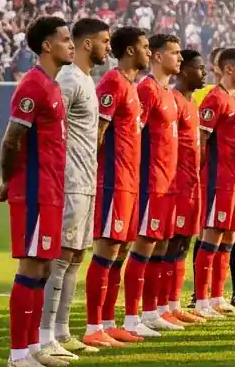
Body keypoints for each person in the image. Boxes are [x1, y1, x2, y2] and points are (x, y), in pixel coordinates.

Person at [0, 15, 73, 367]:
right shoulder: (33, 85)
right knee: (31, 267)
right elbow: (11, 140)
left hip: (51, 189)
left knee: (44, 268)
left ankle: (34, 347)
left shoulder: (52, 86)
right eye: (66, 39)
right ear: (47, 46)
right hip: (34, 189)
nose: (71, 45)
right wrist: (8, 181)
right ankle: (17, 355)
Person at [36, 17, 110, 364]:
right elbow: (49, 126)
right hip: (69, 182)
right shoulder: (67, 79)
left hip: (86, 181)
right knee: (61, 258)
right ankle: (44, 335)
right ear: (86, 43)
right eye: (104, 41)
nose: (107, 47)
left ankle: (62, 331)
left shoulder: (85, 80)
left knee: (76, 256)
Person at [83, 26, 152, 348]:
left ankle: (109, 323)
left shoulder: (132, 86)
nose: (148, 52)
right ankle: (93, 326)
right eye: (144, 47)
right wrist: (93, 173)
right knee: (106, 251)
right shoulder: (111, 82)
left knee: (120, 252)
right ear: (129, 51)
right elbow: (97, 131)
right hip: (112, 181)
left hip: (129, 181)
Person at [194, 48, 235, 309]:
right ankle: (201, 300)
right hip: (216, 180)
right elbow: (201, 141)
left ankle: (218, 297)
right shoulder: (214, 99)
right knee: (212, 236)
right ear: (229, 69)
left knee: (230, 238)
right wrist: (197, 176)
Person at [131, 33, 186, 336]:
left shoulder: (169, 94)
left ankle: (151, 312)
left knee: (162, 245)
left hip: (169, 182)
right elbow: (133, 136)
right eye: (174, 53)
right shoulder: (146, 90)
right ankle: (131, 317)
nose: (179, 58)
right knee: (144, 244)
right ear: (156, 56)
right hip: (150, 180)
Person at [164, 49, 208, 325]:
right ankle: (157, 307)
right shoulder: (174, 101)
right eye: (199, 68)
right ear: (183, 71)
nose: (204, 73)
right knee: (168, 245)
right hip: (174, 185)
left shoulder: (192, 104)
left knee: (183, 244)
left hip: (192, 184)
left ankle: (174, 304)